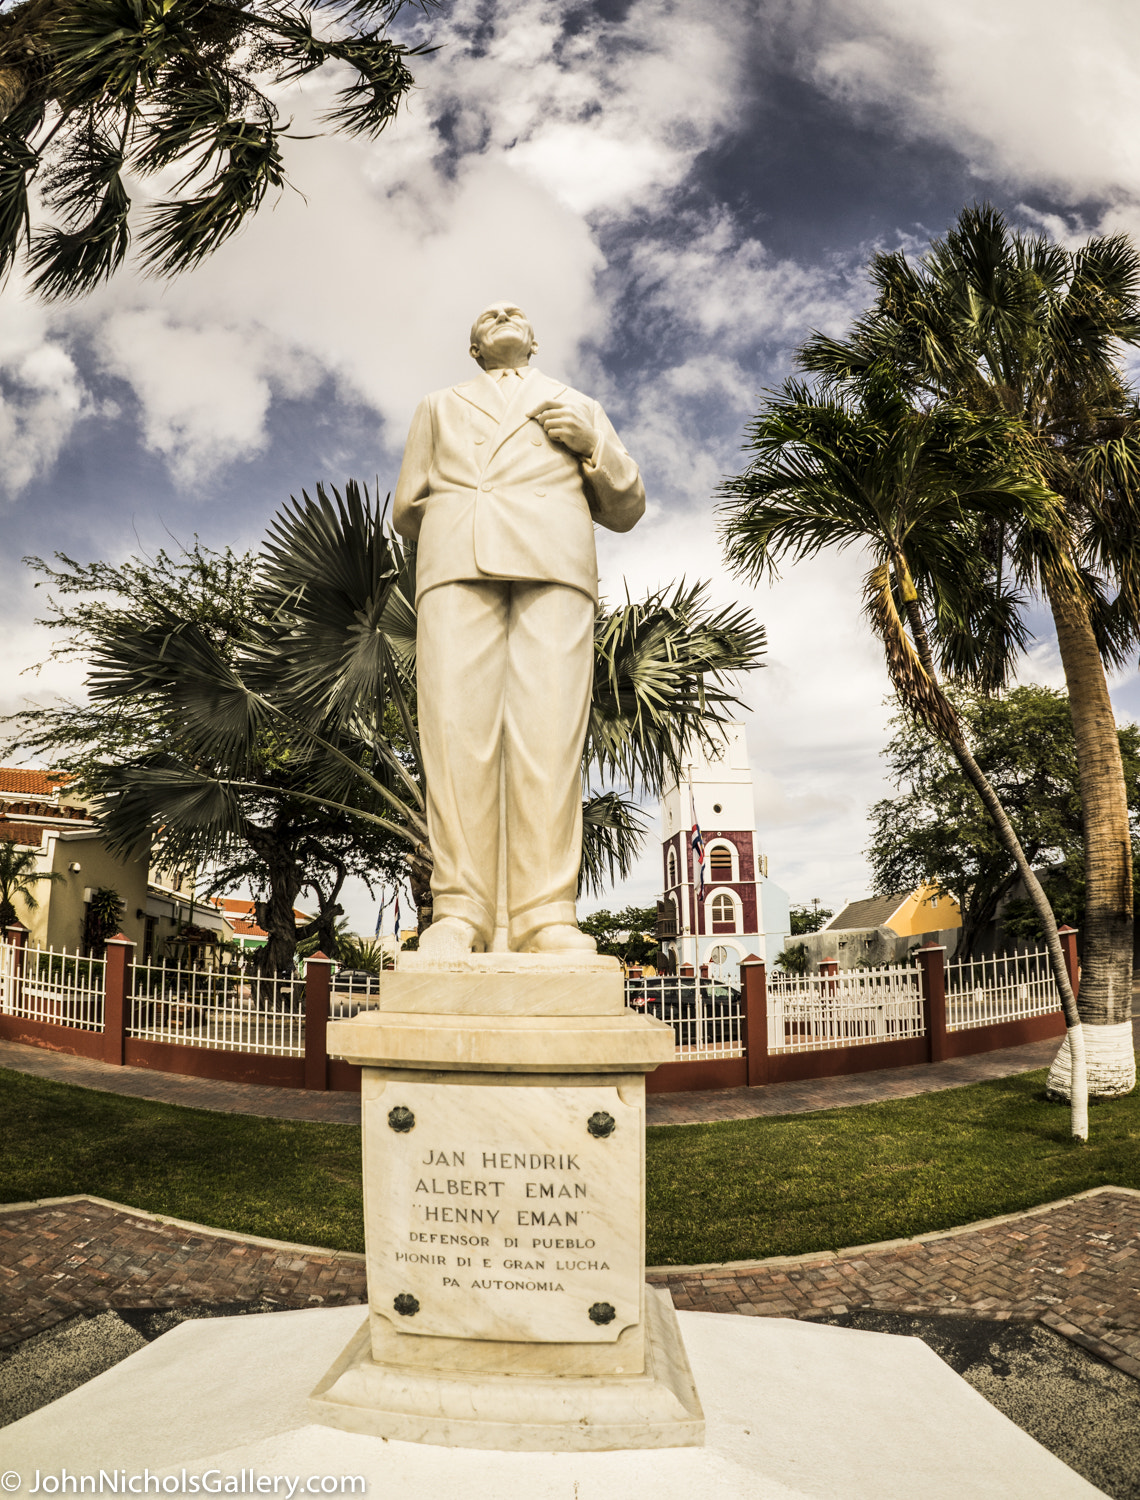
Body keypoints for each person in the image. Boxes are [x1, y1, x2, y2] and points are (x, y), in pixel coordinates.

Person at [393, 301, 645, 956]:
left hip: (555, 561)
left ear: (533, 340)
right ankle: (459, 911)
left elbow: (627, 505)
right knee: (456, 734)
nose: (502, 313)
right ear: (474, 349)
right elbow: (406, 505)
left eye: (515, 312)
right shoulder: (438, 405)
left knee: (548, 734)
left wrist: (590, 446)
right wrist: (461, 512)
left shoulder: (577, 403)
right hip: (456, 561)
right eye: (486, 315)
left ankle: (545, 914)